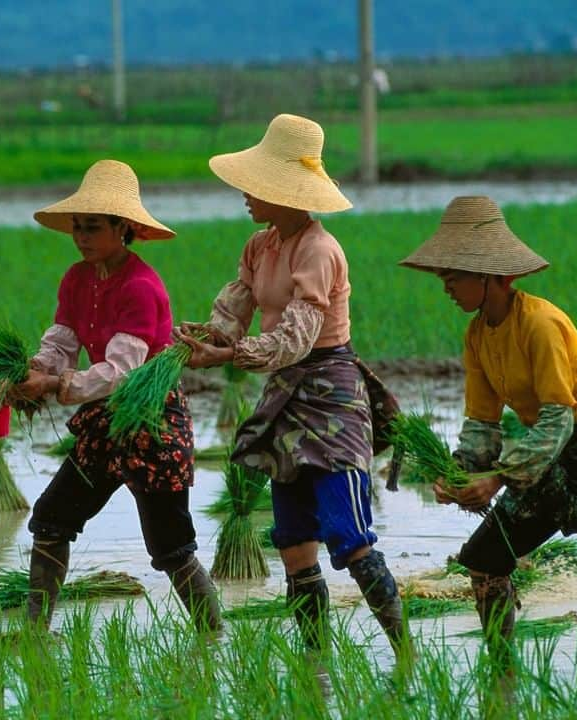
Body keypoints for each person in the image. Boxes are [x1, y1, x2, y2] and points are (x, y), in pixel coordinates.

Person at [398, 195, 577, 685]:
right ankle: (501, 674)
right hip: (544, 453)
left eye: (453, 277)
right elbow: (482, 422)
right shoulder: (478, 334)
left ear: (489, 276)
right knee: (483, 559)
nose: (447, 288)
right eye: (443, 279)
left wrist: (499, 478)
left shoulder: (540, 324)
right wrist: (461, 472)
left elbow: (557, 419)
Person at [175, 114, 412, 663]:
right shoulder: (260, 246)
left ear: (282, 191)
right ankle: (315, 664)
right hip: (285, 396)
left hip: (330, 394)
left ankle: (404, 654)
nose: (244, 195)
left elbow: (299, 337)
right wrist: (204, 337)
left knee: (349, 537)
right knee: (293, 541)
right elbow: (235, 307)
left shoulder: (318, 250)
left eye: (253, 186)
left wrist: (232, 355)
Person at [8, 159, 221, 633]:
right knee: (50, 520)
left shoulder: (141, 287)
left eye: (94, 227)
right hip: (104, 423)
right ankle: (34, 629)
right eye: (77, 227)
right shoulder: (77, 278)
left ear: (122, 228)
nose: (82, 237)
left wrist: (57, 385)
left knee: (171, 548)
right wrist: (38, 370)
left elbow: (122, 372)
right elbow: (62, 340)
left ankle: (213, 637)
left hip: (150, 424)